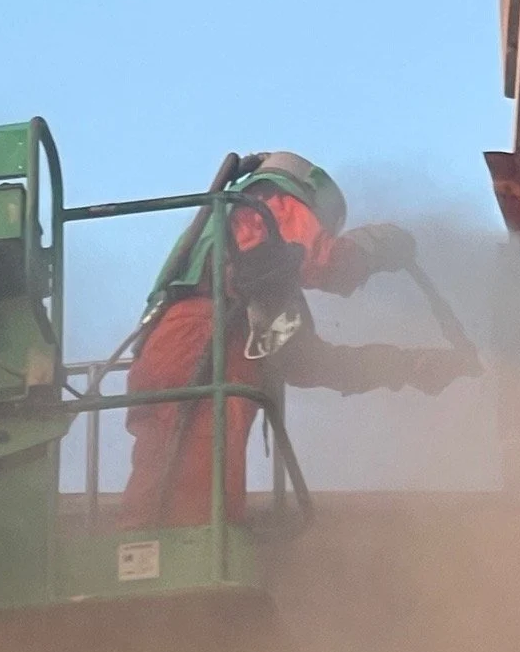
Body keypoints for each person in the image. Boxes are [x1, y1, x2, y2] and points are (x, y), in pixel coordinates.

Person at [120, 152, 477, 528]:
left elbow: (307, 361)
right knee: (194, 504)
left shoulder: (260, 292)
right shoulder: (268, 201)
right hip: (200, 347)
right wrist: (374, 247)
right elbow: (327, 262)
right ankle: (179, 569)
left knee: (163, 484)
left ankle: (146, 561)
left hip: (174, 352)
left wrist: (407, 366)